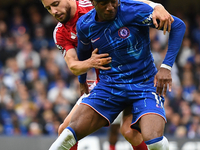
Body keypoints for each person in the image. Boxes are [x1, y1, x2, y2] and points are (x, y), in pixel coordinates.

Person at [41, 0, 174, 150]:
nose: (54, 11)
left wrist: (157, 6)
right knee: (63, 130)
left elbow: (132, 3)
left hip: (135, 78)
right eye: (48, 8)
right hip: (105, 85)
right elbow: (74, 65)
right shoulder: (60, 32)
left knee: (129, 131)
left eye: (56, 3)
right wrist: (87, 69)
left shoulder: (96, 5)